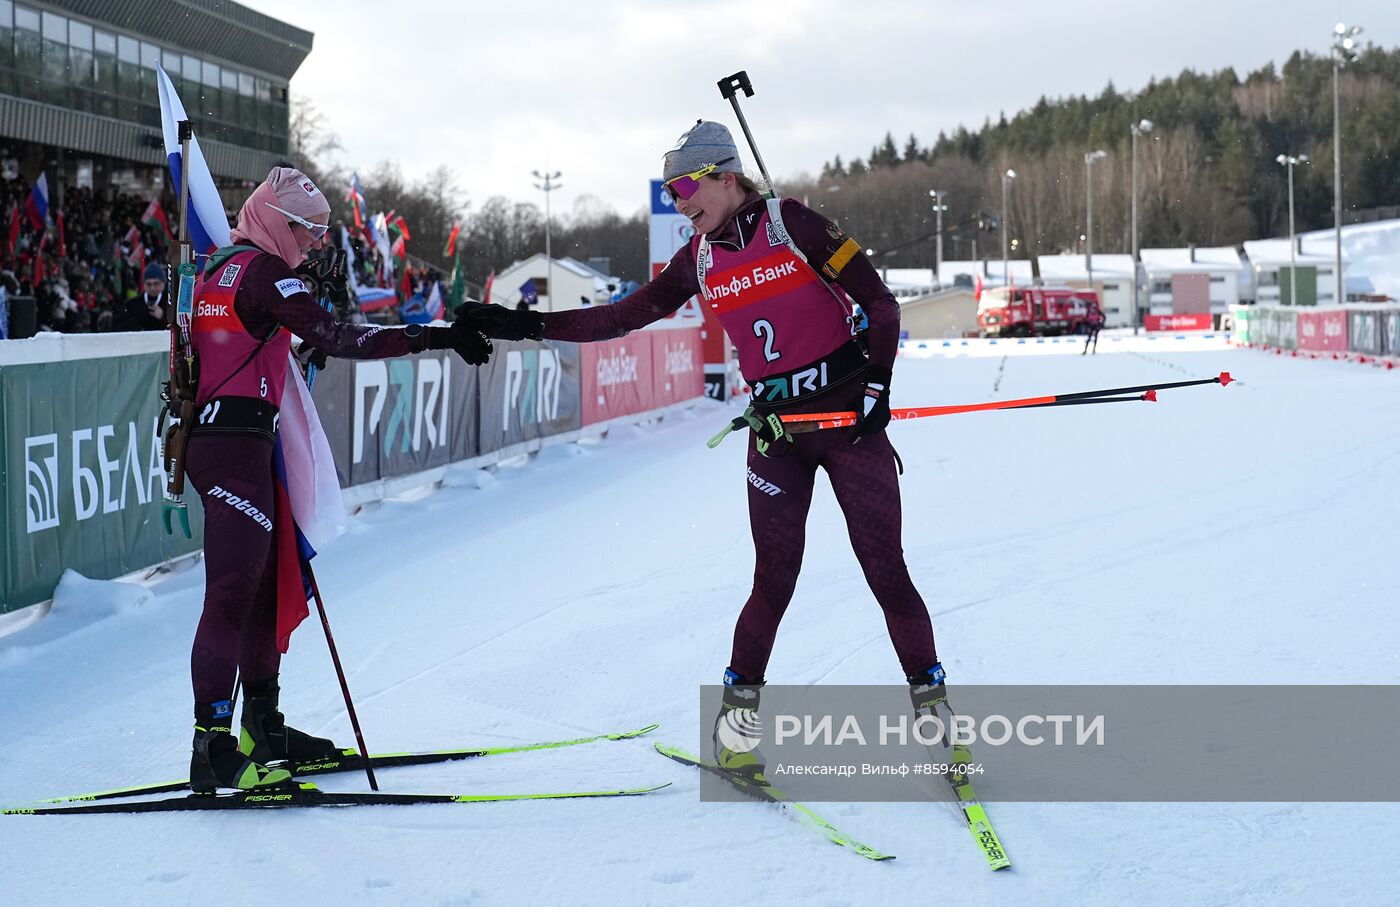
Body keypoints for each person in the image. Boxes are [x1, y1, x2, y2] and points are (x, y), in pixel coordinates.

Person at [461, 121, 947, 776]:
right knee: (772, 580)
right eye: (670, 192)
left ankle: (937, 722)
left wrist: (879, 387)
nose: (680, 202)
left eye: (688, 186)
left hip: (845, 422)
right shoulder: (699, 257)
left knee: (885, 570)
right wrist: (524, 323)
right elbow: (621, 316)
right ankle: (736, 737)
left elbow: (881, 305)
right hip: (778, 435)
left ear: (725, 174)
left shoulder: (792, 224)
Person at [182, 167, 491, 792]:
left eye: (322, 231)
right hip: (233, 450)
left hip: (232, 441)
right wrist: (434, 335)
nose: (317, 242)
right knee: (232, 596)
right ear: (276, 220)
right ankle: (211, 751)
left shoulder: (219, 264)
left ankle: (262, 729)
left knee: (264, 594)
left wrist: (295, 348)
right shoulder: (266, 272)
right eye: (307, 230)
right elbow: (344, 335)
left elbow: (239, 340)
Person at [113, 262, 168, 331]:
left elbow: (179, 327)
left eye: (156, 283)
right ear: (144, 284)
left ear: (163, 283)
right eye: (148, 284)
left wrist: (163, 317)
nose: (152, 288)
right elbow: (118, 327)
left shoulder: (171, 303)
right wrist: (138, 320)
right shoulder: (133, 304)